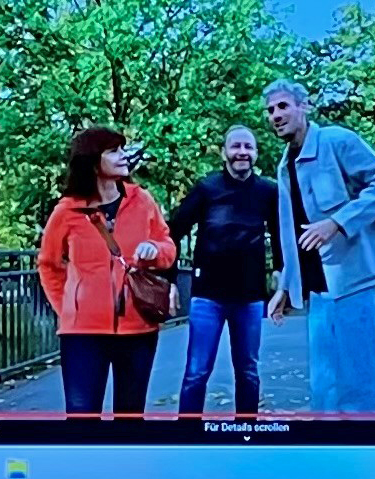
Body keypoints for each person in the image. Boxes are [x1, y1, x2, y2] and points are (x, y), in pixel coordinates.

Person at [261, 81, 375, 415]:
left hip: (351, 279)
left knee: (356, 378)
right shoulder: (285, 166)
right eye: (270, 111)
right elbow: (291, 232)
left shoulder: (337, 141)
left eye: (283, 106)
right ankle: (327, 449)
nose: (276, 116)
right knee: (323, 382)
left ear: (304, 106)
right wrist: (285, 286)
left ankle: (360, 451)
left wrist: (337, 222)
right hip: (317, 288)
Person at [33, 127, 171, 418]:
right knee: (82, 418)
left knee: (130, 417)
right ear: (93, 161)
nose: (124, 156)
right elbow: (48, 264)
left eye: (122, 149)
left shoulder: (142, 200)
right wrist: (69, 307)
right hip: (83, 334)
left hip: (138, 328)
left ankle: (126, 465)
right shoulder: (67, 211)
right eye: (114, 151)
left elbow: (167, 245)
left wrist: (154, 249)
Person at [168, 126, 278, 416]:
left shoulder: (268, 191)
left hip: (250, 296)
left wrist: (282, 275)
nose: (242, 152)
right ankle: (188, 437)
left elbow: (281, 236)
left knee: (248, 372)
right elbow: (173, 232)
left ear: (255, 153)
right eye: (236, 146)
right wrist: (169, 280)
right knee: (196, 373)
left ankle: (245, 434)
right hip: (208, 297)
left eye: (248, 147)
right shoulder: (207, 189)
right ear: (224, 152)